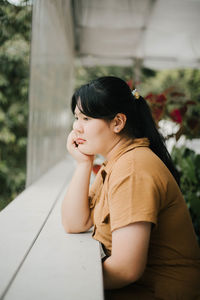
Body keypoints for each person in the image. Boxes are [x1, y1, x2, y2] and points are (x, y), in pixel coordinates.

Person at [61, 76, 200, 299]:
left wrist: (71, 283)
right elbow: (75, 222)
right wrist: (83, 164)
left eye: (86, 118)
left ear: (117, 122)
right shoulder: (118, 162)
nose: (76, 127)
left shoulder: (133, 169)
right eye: (76, 117)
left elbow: (126, 269)